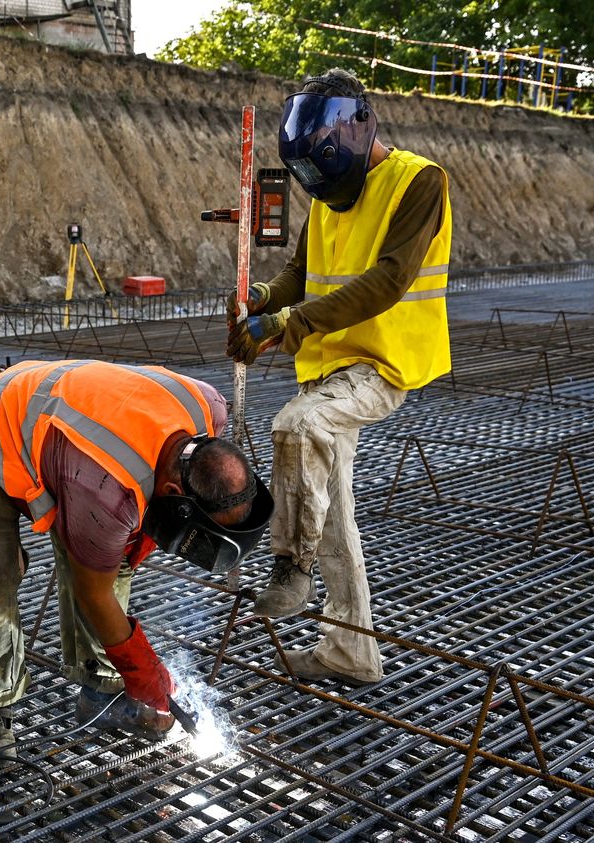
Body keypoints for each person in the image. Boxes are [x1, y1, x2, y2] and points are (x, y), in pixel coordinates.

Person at [225, 68, 452, 685]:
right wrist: (263, 296)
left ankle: (289, 565)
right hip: (329, 365)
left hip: (381, 362)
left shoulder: (419, 181)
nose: (321, 192)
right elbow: (301, 270)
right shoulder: (328, 197)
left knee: (298, 428)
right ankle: (350, 652)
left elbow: (387, 281)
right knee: (330, 509)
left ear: (358, 128)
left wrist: (285, 324)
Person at [0, 360, 271, 758]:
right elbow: (94, 594)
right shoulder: (109, 492)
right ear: (176, 488)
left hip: (59, 431)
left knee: (114, 558)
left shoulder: (207, 407)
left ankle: (101, 693)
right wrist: (144, 671)